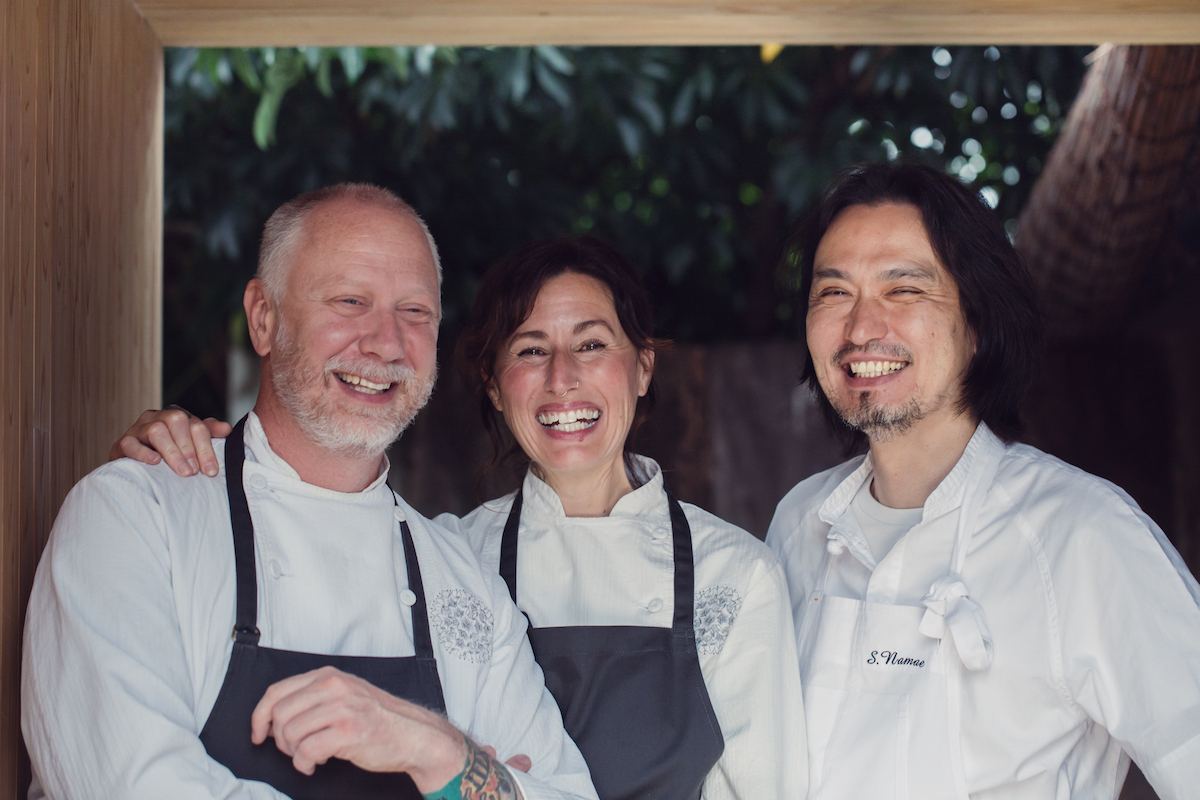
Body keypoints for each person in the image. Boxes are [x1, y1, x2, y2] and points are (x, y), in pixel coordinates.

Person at [114, 237, 807, 800]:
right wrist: (203, 464)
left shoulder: (735, 575)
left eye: (592, 345)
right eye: (530, 350)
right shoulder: (448, 557)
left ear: (643, 368)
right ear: (496, 388)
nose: (562, 377)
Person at [23, 184, 598, 800]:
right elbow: (133, 787)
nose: (384, 343)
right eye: (350, 301)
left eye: (415, 312)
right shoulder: (137, 517)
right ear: (264, 317)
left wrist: (436, 749)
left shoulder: (465, 587)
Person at [767, 161, 1200, 799]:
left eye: (903, 289)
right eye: (834, 293)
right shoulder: (799, 524)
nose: (861, 328)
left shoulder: (1083, 534)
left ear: (976, 324)